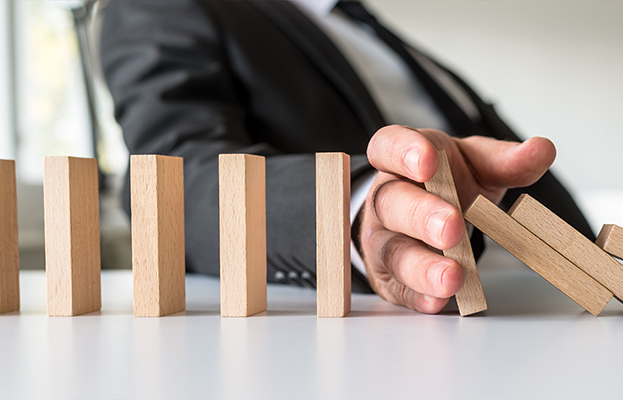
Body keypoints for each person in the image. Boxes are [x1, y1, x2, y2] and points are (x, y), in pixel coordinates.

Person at [100, 0, 594, 314]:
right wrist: (357, 208)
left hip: (577, 297)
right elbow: (172, 179)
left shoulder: (379, 31)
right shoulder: (167, 6)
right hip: (420, 333)